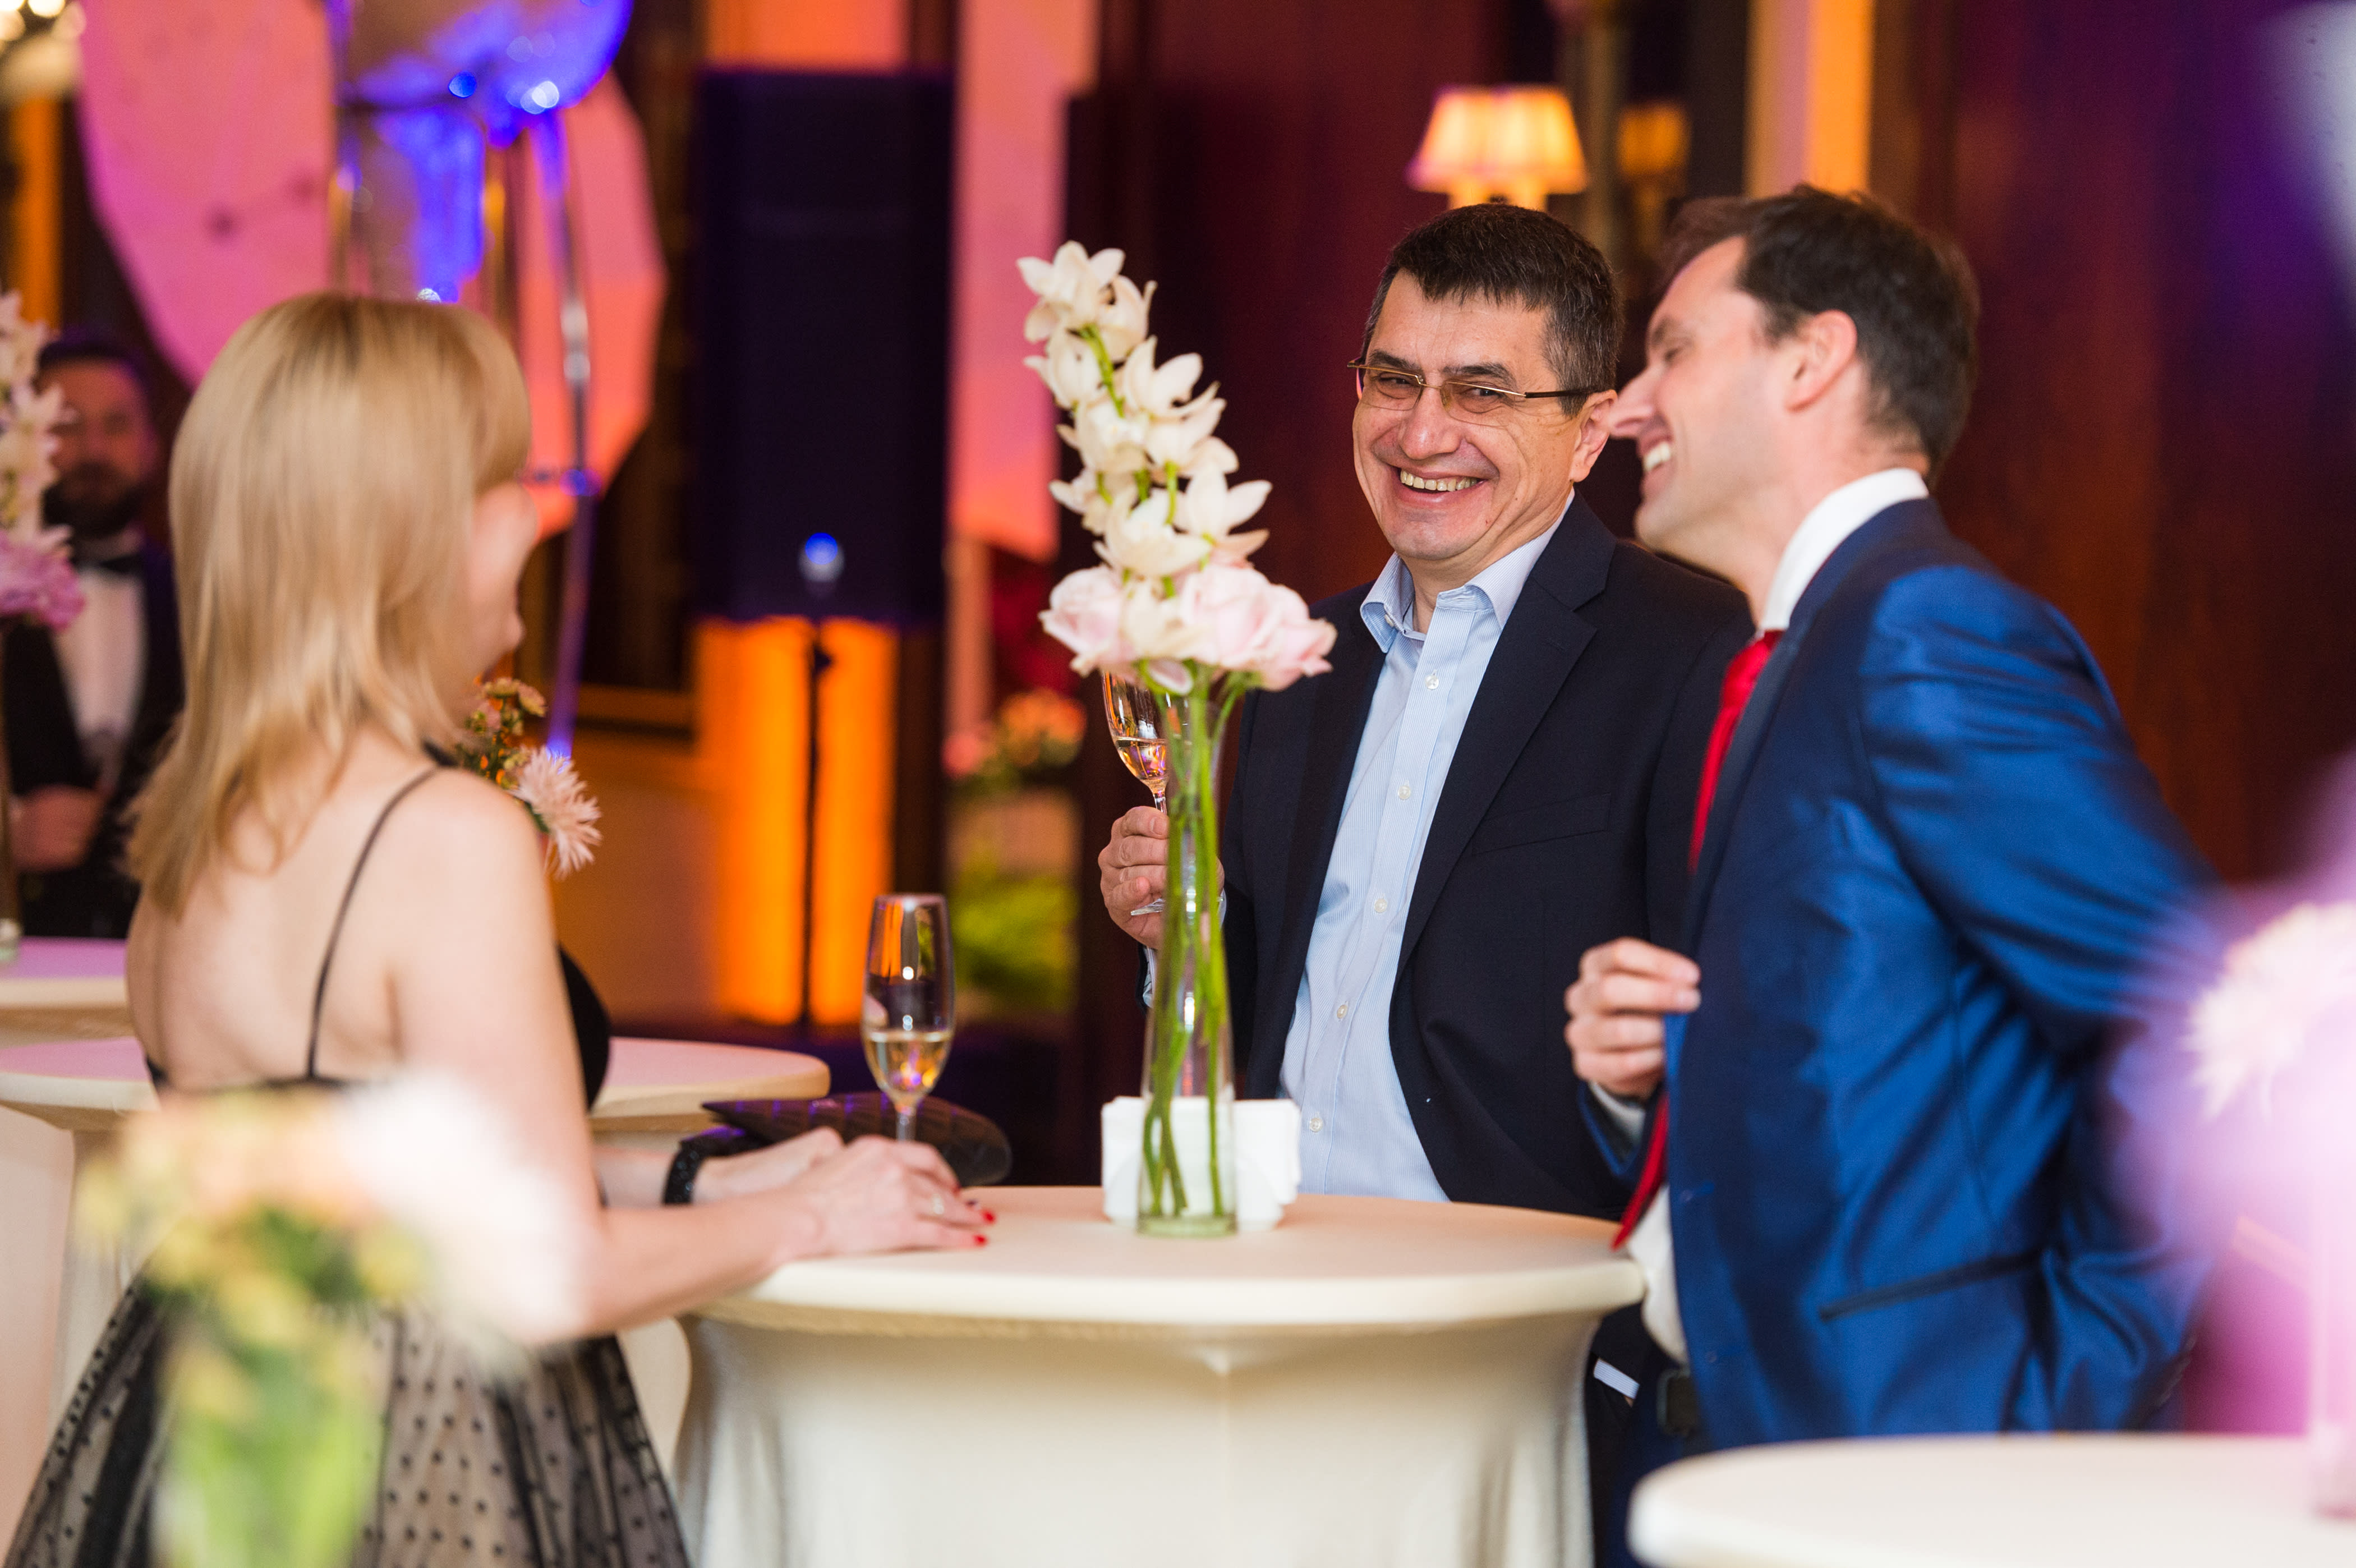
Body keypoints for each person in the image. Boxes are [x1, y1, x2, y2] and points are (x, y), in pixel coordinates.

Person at [6, 295, 990, 1567]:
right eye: (507, 482)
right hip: (408, 1475)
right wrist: (815, 1219)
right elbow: (544, 1274)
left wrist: (706, 1180)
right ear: (411, 534)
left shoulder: (190, 843)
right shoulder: (441, 833)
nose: (537, 516)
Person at [1562, 187, 2222, 1561]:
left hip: (1909, 1468)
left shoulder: (1922, 627)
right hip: (1727, 1445)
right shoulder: (1799, 649)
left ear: (1813, 358)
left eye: (1674, 348)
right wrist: (1650, 1079)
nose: (1629, 403)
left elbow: (2196, 1013)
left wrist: (2058, 1397)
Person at [1098, 201, 1748, 1216]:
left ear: (1588, 433)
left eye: (1481, 392)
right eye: (1394, 379)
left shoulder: (1693, 651)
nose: (1422, 432)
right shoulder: (1290, 656)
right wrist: (1178, 928)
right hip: (1275, 1246)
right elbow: (1265, 999)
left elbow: (1727, 1034)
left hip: (1517, 1274)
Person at [3, 333, 185, 937]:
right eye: (69, 424)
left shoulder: (203, 597)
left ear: (152, 444)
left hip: (165, 946)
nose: (94, 449)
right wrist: (7, 833)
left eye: (117, 424)